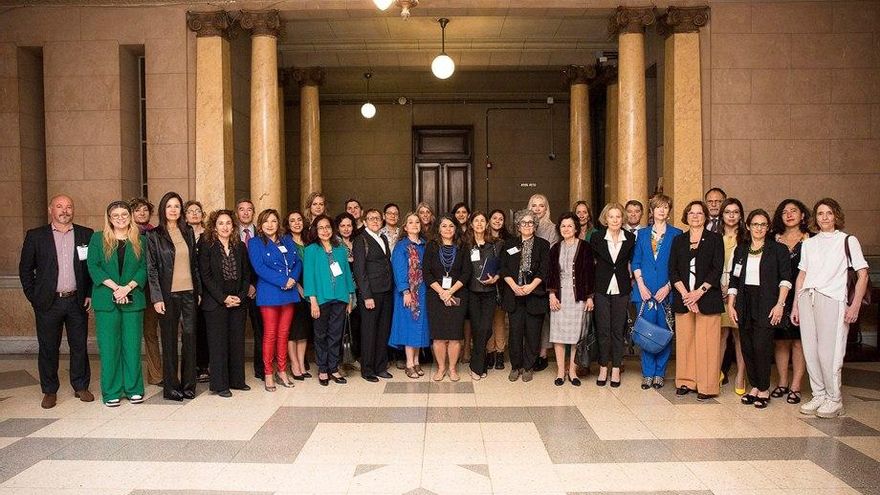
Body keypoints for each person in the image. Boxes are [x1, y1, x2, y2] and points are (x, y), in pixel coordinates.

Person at [792, 198, 869, 418]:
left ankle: (834, 399)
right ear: (815, 218)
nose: (824, 217)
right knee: (811, 350)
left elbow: (862, 275)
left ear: (836, 215)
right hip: (808, 297)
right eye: (820, 213)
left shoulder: (847, 241)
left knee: (830, 352)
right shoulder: (809, 243)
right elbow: (802, 275)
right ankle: (819, 394)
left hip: (832, 299)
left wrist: (853, 307)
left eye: (829, 213)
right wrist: (796, 305)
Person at [19, 195, 94, 409]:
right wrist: (34, 297)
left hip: (77, 301)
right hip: (48, 303)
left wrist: (89, 293)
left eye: (69, 206)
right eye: (60, 206)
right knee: (48, 347)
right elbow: (25, 269)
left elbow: (90, 268)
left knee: (79, 345)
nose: (65, 210)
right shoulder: (36, 236)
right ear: (51, 209)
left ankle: (80, 385)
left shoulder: (85, 234)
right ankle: (50, 390)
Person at [727, 209, 791, 409]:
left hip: (768, 303)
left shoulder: (778, 249)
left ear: (768, 227)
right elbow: (734, 279)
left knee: (762, 347)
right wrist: (731, 304)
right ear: (748, 226)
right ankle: (754, 386)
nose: (759, 228)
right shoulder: (741, 249)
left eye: (763, 224)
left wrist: (780, 304)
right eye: (755, 224)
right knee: (747, 345)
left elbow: (786, 279)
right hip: (744, 302)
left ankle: (764, 389)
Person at [87, 201, 147, 406]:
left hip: (133, 299)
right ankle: (111, 391)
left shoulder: (140, 239)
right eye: (116, 215)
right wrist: (116, 288)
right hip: (106, 301)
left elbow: (144, 268)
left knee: (132, 346)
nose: (120, 218)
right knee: (109, 348)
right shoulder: (97, 238)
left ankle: (133, 388)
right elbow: (93, 266)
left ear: (130, 216)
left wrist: (127, 288)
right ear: (109, 218)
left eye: (124, 214)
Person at [146, 191, 201, 402]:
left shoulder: (188, 232)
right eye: (169, 206)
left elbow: (194, 265)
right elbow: (151, 269)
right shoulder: (154, 235)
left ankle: (188, 386)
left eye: (177, 206)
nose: (173, 210)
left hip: (188, 293)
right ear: (163, 209)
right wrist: (157, 297)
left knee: (189, 339)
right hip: (167, 295)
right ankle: (171, 387)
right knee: (168, 341)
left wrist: (198, 292)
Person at [670, 200, 725, 400]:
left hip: (707, 298)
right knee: (685, 343)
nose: (695, 216)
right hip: (683, 299)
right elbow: (673, 270)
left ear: (705, 216)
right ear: (686, 216)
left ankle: (707, 386)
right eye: (691, 213)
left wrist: (697, 293)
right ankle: (685, 381)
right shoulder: (679, 240)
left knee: (708, 344)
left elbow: (716, 269)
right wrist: (686, 295)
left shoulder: (714, 239)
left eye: (699, 213)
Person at [198, 209, 251, 397]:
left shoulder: (240, 247)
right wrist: (223, 298)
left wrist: (241, 296)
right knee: (218, 344)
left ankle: (237, 380)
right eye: (221, 223)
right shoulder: (206, 245)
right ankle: (220, 385)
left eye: (228, 223)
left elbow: (246, 275)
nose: (225, 226)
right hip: (215, 302)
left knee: (236, 342)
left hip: (237, 301)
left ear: (233, 226)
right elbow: (205, 275)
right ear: (214, 226)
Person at [631, 194, 682, 390]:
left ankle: (660, 373)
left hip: (666, 292)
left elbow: (678, 266)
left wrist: (668, 286)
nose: (661, 210)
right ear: (651, 211)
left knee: (664, 332)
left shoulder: (677, 234)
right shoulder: (642, 234)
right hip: (644, 292)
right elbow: (636, 261)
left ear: (669, 211)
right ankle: (647, 373)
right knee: (646, 331)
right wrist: (641, 285)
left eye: (665, 207)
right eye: (657, 207)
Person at [248, 209, 300, 392]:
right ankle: (268, 373)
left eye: (273, 221)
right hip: (270, 293)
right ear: (260, 225)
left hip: (289, 292)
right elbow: (259, 268)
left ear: (278, 223)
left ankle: (282, 370)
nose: (270, 225)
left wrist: (292, 278)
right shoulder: (255, 243)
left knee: (284, 334)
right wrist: (283, 281)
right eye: (266, 222)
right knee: (270, 334)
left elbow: (297, 262)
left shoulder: (287, 240)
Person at [303, 215, 356, 386]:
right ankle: (323, 369)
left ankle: (333, 368)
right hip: (321, 299)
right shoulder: (311, 250)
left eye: (327, 227)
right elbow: (308, 277)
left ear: (332, 230)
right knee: (320, 335)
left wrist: (349, 297)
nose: (325, 231)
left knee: (335, 335)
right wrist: (313, 301)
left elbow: (347, 274)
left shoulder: (340, 249)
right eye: (321, 228)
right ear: (315, 231)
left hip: (340, 297)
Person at [500, 209, 550, 382]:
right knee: (515, 333)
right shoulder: (509, 244)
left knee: (533, 333)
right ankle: (516, 366)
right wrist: (514, 286)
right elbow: (504, 268)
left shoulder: (543, 245)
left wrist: (531, 286)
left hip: (534, 294)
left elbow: (544, 270)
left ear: (535, 226)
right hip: (514, 294)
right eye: (523, 223)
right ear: (518, 226)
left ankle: (528, 366)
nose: (527, 225)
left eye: (530, 223)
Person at [769, 199, 811, 405]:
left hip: (804, 295)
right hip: (777, 296)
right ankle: (782, 382)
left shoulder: (812, 240)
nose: (789, 214)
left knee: (798, 340)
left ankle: (795, 386)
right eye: (784, 211)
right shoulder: (773, 239)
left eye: (794, 211)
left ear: (802, 215)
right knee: (780, 340)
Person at [590, 203, 636, 387]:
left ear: (622, 218)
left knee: (618, 330)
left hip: (622, 288)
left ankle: (616, 368)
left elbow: (632, 262)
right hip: (601, 288)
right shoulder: (596, 237)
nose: (615, 220)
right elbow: (591, 263)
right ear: (605, 219)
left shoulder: (631, 238)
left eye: (618, 217)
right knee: (603, 330)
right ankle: (603, 367)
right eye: (611, 217)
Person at [548, 212, 595, 387]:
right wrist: (552, 294)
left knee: (576, 335)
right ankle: (561, 371)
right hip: (559, 296)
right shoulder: (555, 248)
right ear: (559, 229)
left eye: (569, 226)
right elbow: (551, 274)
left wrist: (590, 297)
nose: (566, 229)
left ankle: (573, 371)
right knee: (558, 335)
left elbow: (590, 273)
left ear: (576, 228)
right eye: (563, 226)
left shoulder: (585, 247)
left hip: (579, 297)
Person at [424, 215, 472, 381]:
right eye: (444, 226)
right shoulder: (431, 246)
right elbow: (426, 273)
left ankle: (452, 369)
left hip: (457, 293)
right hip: (435, 295)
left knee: (454, 335)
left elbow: (467, 273)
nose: (448, 229)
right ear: (438, 228)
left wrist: (450, 291)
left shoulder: (463, 247)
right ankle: (441, 368)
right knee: (438, 336)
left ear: (456, 228)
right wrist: (441, 292)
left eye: (451, 226)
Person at [352, 209, 395, 382]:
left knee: (383, 330)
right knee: (369, 331)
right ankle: (368, 369)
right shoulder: (361, 239)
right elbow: (359, 270)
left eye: (377, 218)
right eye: (371, 218)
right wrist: (366, 296)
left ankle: (380, 366)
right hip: (371, 294)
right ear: (365, 221)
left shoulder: (383, 237)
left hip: (386, 291)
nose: (375, 221)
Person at [389, 212, 430, 378]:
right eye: (411, 222)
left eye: (417, 222)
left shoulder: (425, 245)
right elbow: (399, 270)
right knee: (409, 326)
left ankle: (417, 361)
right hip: (407, 293)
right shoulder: (401, 246)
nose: (414, 225)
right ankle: (409, 363)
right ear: (405, 227)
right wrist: (405, 291)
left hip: (423, 291)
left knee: (420, 327)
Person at [463, 211, 501, 380]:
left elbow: (503, 266)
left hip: (489, 292)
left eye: (482, 221)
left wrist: (497, 277)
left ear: (486, 224)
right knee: (477, 329)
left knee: (485, 329)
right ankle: (480, 365)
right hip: (471, 292)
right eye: (476, 221)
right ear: (471, 224)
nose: (479, 224)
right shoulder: (465, 244)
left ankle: (475, 363)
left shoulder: (495, 244)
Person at [130, 197, 162, 385]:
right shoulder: (126, 234)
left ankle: (156, 374)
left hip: (151, 292)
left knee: (150, 333)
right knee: (132, 334)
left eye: (145, 210)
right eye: (137, 210)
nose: (142, 213)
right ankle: (132, 376)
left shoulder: (155, 233)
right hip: (133, 290)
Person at [719, 197, 748, 395]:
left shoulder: (746, 238)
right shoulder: (714, 236)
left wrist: (732, 288)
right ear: (722, 214)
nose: (731, 215)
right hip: (717, 290)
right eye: (728, 211)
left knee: (739, 335)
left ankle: (740, 375)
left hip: (740, 291)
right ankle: (717, 371)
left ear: (740, 215)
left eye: (735, 212)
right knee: (720, 334)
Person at [528, 193, 557, 372]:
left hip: (544, 279)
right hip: (525, 281)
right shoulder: (524, 225)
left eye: (541, 206)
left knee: (544, 317)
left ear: (546, 209)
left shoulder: (552, 229)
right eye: (534, 205)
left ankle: (543, 354)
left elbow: (551, 257)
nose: (537, 209)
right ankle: (530, 351)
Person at [283, 211, 312, 381]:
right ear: (288, 224)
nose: (296, 223)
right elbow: (287, 268)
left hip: (310, 289)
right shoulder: (285, 242)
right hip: (294, 289)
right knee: (293, 330)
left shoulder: (309, 240)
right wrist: (299, 287)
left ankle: (302, 363)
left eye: (299, 220)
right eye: (292, 220)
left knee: (303, 330)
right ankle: (294, 364)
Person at [237, 198, 264, 380]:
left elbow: (264, 263)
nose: (245, 213)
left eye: (249, 210)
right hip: (236, 290)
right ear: (237, 213)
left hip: (258, 289)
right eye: (242, 209)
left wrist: (253, 284)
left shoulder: (262, 236)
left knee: (260, 330)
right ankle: (236, 371)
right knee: (236, 331)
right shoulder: (230, 234)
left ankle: (261, 369)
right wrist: (244, 286)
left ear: (253, 213)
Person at [185, 199, 209, 383]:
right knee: (190, 328)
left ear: (203, 215)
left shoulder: (210, 234)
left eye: (197, 211)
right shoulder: (181, 235)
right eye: (190, 211)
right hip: (187, 286)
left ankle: (204, 366)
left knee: (204, 327)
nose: (194, 213)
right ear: (185, 216)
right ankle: (190, 365)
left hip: (208, 288)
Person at [335, 212, 361, 371]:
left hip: (359, 289)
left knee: (355, 326)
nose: (346, 229)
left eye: (349, 225)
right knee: (340, 326)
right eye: (342, 226)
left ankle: (353, 357)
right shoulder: (335, 245)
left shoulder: (358, 242)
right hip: (343, 290)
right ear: (337, 228)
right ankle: (339, 361)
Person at [487, 209, 511, 370]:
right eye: (494, 218)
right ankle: (489, 352)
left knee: (500, 321)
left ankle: (500, 353)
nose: (497, 221)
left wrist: (498, 275)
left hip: (502, 285)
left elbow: (509, 264)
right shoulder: (482, 238)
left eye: (500, 218)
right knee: (487, 321)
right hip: (485, 286)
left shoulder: (509, 240)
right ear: (489, 220)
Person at [380, 203, 404, 369]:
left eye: (396, 214)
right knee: (387, 318)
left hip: (401, 280)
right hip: (384, 280)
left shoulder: (403, 234)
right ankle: (387, 355)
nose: (393, 216)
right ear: (384, 215)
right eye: (389, 213)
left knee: (400, 317)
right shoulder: (378, 233)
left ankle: (401, 354)